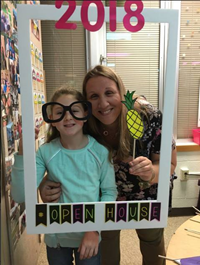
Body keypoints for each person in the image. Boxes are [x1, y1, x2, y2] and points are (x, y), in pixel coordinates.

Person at [39, 66, 177, 265]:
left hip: (147, 195)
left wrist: (152, 172)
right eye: (94, 96)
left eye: (109, 93)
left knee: (152, 243)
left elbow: (170, 164)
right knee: (106, 247)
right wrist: (45, 183)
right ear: (86, 102)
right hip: (104, 197)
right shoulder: (83, 120)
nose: (103, 103)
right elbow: (62, 155)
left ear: (121, 92)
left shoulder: (148, 116)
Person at [11, 85, 117, 265]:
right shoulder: (45, 153)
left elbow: (109, 192)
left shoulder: (100, 153)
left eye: (74, 110)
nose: (68, 117)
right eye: (60, 112)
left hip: (89, 236)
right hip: (56, 239)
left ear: (84, 115)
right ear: (51, 119)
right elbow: (20, 195)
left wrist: (95, 230)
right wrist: (22, 153)